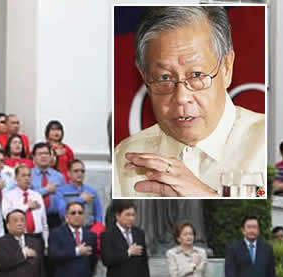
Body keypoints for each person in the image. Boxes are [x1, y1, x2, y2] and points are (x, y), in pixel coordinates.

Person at [113, 7, 265, 197]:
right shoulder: (126, 159)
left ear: (226, 68)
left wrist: (206, 194)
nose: (182, 97)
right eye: (164, 78)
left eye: (196, 75)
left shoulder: (266, 143)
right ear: (144, 77)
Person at [2, 164, 48, 244]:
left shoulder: (37, 195)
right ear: (16, 178)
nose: (27, 178)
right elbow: (7, 215)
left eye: (29, 175)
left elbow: (43, 221)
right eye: (23, 175)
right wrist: (26, 206)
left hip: (37, 236)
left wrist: (46, 242)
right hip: (18, 237)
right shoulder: (8, 196)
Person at [56, 160, 103, 227]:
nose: (79, 173)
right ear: (69, 174)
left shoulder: (92, 191)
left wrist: (97, 229)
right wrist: (80, 199)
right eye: (76, 171)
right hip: (68, 230)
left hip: (89, 230)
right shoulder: (61, 191)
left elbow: (98, 214)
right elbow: (62, 213)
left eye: (82, 171)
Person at [31, 143, 65, 228]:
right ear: (34, 158)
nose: (43, 156)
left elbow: (63, 198)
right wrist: (45, 190)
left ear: (51, 157)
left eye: (46, 154)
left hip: (55, 218)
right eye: (40, 154)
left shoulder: (58, 176)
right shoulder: (28, 175)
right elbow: (27, 195)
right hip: (35, 216)